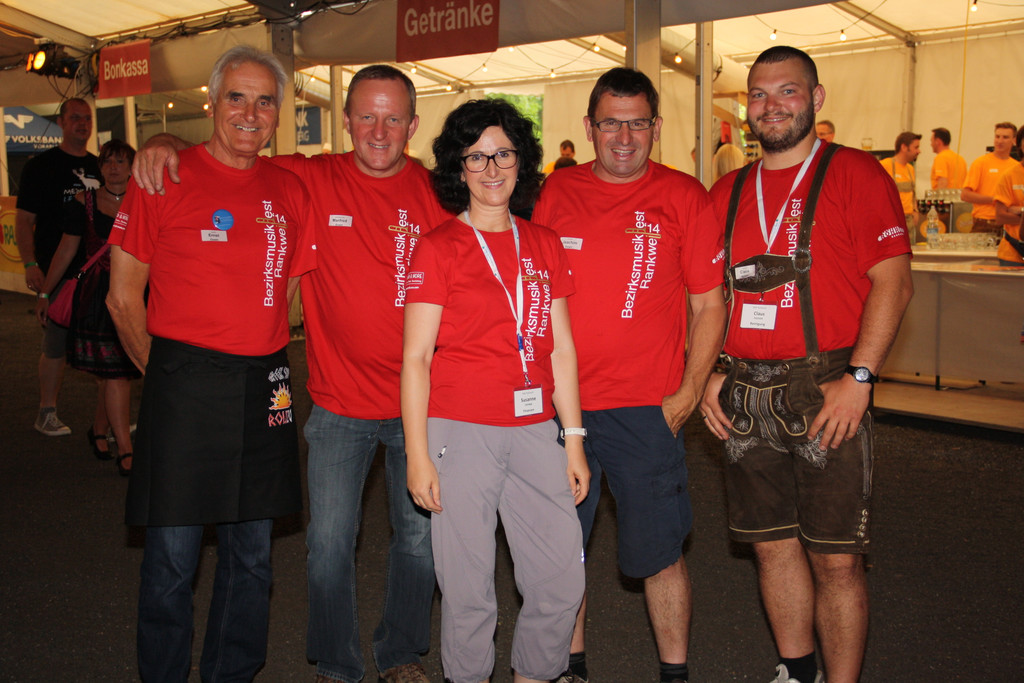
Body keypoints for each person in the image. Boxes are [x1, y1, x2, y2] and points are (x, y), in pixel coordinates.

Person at [132, 64, 447, 683]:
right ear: (345, 121)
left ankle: (402, 652)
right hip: (337, 404)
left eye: (392, 119)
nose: (377, 131)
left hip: (425, 405)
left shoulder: (442, 193)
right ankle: (336, 662)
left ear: (413, 126)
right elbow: (229, 153)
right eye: (365, 116)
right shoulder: (308, 177)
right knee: (327, 545)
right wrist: (163, 143)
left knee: (418, 542)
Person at [701, 46, 913, 683]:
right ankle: (795, 671)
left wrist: (861, 378)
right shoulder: (727, 190)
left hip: (827, 387)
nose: (771, 106)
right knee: (771, 548)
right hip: (744, 391)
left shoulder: (855, 174)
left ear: (816, 99)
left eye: (787, 91)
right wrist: (708, 370)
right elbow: (708, 297)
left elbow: (894, 282)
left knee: (837, 560)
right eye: (759, 94)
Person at [107, 46, 316, 682]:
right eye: (237, 97)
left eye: (265, 101)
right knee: (172, 560)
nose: (250, 113)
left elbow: (290, 295)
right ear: (212, 101)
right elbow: (122, 298)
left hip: (264, 383)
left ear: (278, 112)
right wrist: (168, 378)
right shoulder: (162, 177)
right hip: (183, 382)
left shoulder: (291, 187)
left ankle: (232, 673)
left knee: (253, 557)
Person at [531, 67, 727, 683]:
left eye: (637, 123)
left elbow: (709, 304)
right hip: (562, 408)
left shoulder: (685, 197)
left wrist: (689, 391)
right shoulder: (557, 192)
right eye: (611, 123)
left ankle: (674, 674)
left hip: (646, 408)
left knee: (659, 554)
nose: (623, 137)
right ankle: (570, 668)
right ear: (589, 128)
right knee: (563, 551)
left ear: (656, 128)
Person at [402, 97, 588, 683]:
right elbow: (416, 359)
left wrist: (574, 439)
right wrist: (417, 456)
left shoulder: (544, 243)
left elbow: (561, 349)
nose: (491, 168)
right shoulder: (437, 247)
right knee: (467, 590)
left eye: (503, 154)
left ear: (521, 161)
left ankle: (534, 674)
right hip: (459, 432)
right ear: (458, 168)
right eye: (476, 156)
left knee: (561, 579)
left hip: (535, 429)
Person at [35, 139, 140, 475]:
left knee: (115, 372)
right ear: (100, 167)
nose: (113, 168)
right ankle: (126, 449)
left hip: (135, 294)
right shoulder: (84, 202)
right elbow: (66, 250)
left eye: (120, 161)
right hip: (97, 298)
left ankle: (99, 429)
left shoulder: (144, 200)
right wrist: (45, 294)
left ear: (132, 167)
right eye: (107, 161)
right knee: (116, 372)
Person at [15, 97, 100, 436]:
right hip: (57, 271)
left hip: (97, 274)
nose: (82, 123)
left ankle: (108, 421)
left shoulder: (100, 166)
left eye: (87, 118)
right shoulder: (41, 167)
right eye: (75, 117)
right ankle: (46, 412)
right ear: (61, 122)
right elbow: (24, 222)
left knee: (104, 347)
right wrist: (31, 264)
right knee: (55, 345)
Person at [962, 122, 1019, 233]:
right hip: (984, 222)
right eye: (997, 136)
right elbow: (965, 195)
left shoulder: (1016, 167)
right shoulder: (981, 163)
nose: (1000, 141)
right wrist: (995, 200)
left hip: (1010, 223)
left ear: (1014, 140)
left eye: (1005, 137)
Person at [993, 128, 1024, 267]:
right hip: (1013, 252)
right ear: (1020, 144)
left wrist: (1019, 210)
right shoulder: (1009, 175)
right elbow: (1000, 217)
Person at [880, 131, 921, 228]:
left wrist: (915, 210)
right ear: (904, 147)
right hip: (891, 220)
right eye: (916, 147)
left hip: (909, 221)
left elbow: (913, 194)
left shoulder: (910, 169)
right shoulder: (885, 165)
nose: (919, 151)